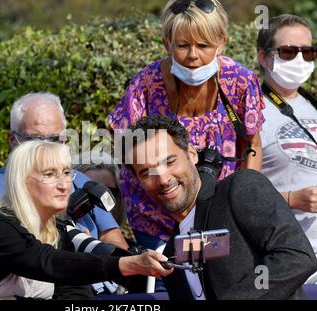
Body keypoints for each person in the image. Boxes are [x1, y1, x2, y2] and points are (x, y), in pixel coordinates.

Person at [109, 0, 265, 250]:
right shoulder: (146, 85)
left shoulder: (241, 81)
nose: (193, 55)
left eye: (203, 45)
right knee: (166, 286)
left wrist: (247, 198)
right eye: (182, 45)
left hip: (221, 214)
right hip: (158, 217)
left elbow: (252, 143)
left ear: (221, 42)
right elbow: (125, 148)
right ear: (166, 43)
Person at [0, 140, 173, 300]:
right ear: (21, 183)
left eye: (65, 172)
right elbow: (49, 263)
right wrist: (129, 264)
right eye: (49, 174)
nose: (65, 185)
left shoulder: (58, 231)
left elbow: (77, 296)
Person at [121, 115, 317, 299]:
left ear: (191, 154)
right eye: (147, 173)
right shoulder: (171, 254)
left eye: (170, 162)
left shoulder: (240, 188)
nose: (163, 179)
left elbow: (295, 257)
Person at [0, 92, 128, 256]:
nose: (46, 149)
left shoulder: (79, 181)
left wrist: (97, 256)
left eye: (54, 140)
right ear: (12, 140)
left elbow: (114, 241)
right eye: (35, 140)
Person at [257, 14, 317, 284]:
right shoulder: (250, 113)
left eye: (308, 52)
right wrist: (292, 198)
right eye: (289, 51)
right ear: (264, 58)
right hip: (290, 261)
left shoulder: (312, 104)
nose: (300, 60)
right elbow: (234, 198)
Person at [72, 151, 135, 243]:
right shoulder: (53, 243)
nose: (99, 199)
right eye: (88, 191)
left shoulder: (133, 253)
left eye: (108, 192)